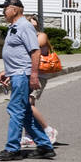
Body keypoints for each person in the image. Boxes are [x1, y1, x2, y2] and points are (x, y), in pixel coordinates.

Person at [0, 0, 54, 160]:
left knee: (15, 110)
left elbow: (35, 52)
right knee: (25, 112)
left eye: (5, 8)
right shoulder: (14, 27)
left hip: (22, 75)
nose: (3, 12)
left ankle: (12, 149)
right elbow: (18, 54)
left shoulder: (25, 26)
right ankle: (45, 146)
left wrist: (33, 75)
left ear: (15, 9)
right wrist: (7, 71)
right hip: (16, 73)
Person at [20, 14, 59, 147]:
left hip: (39, 75)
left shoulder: (41, 36)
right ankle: (29, 134)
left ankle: (48, 130)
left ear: (36, 23)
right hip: (28, 73)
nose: (28, 23)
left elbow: (35, 47)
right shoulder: (27, 36)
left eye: (31, 21)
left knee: (28, 104)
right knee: (27, 105)